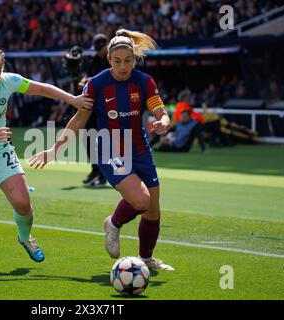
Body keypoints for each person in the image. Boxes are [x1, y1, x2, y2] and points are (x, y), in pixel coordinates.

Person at [29, 29, 174, 271]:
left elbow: (160, 110)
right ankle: (113, 224)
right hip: (109, 150)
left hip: (139, 148)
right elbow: (78, 120)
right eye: (117, 61)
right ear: (109, 59)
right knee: (141, 200)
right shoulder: (96, 84)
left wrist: (164, 122)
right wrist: (54, 150)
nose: (123, 66)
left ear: (134, 59)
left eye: (128, 60)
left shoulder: (144, 81)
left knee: (153, 210)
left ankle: (146, 259)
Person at [0, 45, 93, 270]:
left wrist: (72, 100)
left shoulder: (8, 81)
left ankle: (25, 237)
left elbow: (42, 89)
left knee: (22, 202)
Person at [78, 33, 111, 188]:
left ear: (106, 45)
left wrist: (90, 80)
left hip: (107, 106)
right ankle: (94, 170)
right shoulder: (93, 60)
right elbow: (87, 76)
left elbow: (108, 79)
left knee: (103, 141)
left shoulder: (112, 59)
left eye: (100, 48)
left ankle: (104, 175)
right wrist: (83, 81)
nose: (98, 51)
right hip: (91, 104)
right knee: (88, 138)